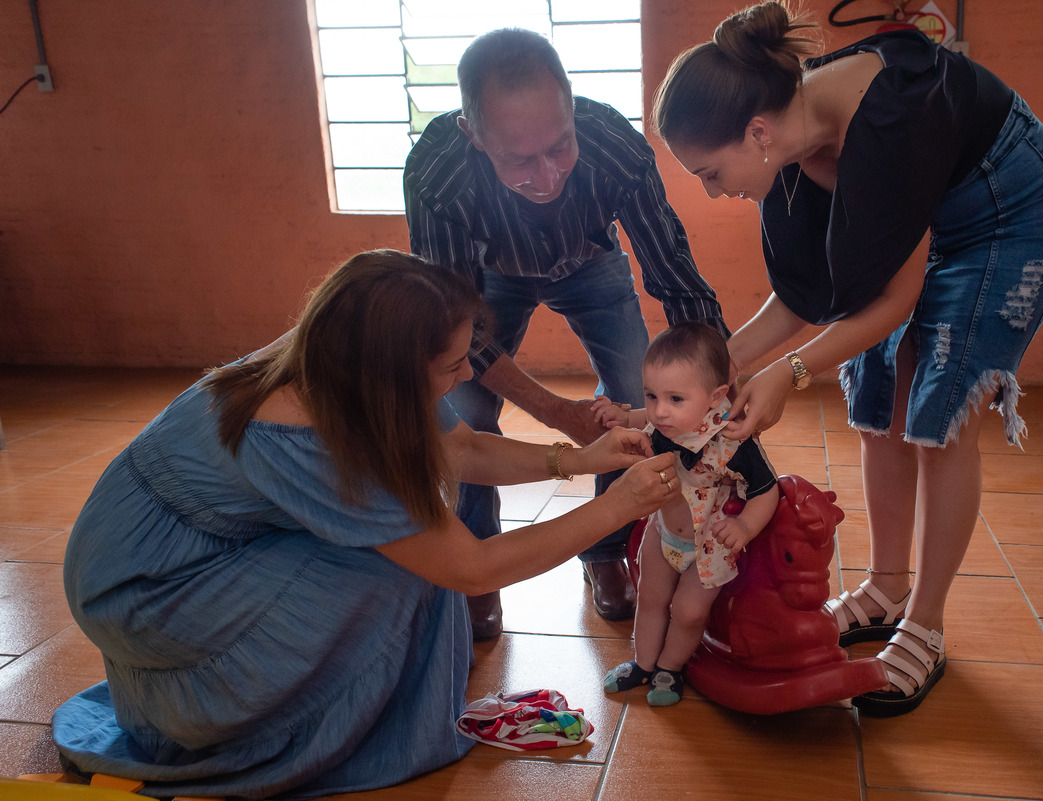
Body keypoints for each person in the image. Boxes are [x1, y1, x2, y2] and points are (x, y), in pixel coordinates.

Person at [51, 250, 680, 800]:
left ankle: (353, 706)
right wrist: (614, 505)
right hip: (149, 587)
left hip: (179, 546)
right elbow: (471, 567)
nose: (467, 375)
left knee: (408, 550)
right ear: (396, 368)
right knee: (402, 570)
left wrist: (577, 459)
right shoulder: (304, 432)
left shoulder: (351, 356)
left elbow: (461, 449)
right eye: (453, 364)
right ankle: (271, 727)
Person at [653, 2, 1043, 716]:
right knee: (878, 397)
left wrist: (789, 373)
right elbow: (805, 297)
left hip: (1007, 212)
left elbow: (893, 297)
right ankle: (886, 585)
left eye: (708, 170)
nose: (712, 190)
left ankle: (927, 622)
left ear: (753, 134)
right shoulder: (785, 136)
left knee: (941, 411)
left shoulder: (889, 127)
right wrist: (709, 373)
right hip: (925, 207)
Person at [404, 27, 731, 638]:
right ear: (474, 135)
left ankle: (605, 551)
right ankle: (480, 567)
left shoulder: (613, 145)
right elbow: (457, 330)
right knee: (465, 407)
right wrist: (560, 414)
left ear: (571, 107)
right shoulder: (437, 174)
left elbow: (675, 277)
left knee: (643, 389)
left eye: (559, 147)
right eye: (518, 160)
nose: (547, 176)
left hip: (591, 262)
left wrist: (714, 383)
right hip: (487, 282)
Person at [592, 323, 779, 706]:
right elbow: (646, 417)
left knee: (689, 611)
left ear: (716, 397)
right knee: (650, 596)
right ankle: (643, 664)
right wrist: (621, 414)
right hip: (663, 533)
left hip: (710, 544)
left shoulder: (734, 439)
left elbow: (767, 489)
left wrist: (744, 525)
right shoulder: (667, 422)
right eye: (651, 395)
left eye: (675, 398)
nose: (659, 411)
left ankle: (670, 669)